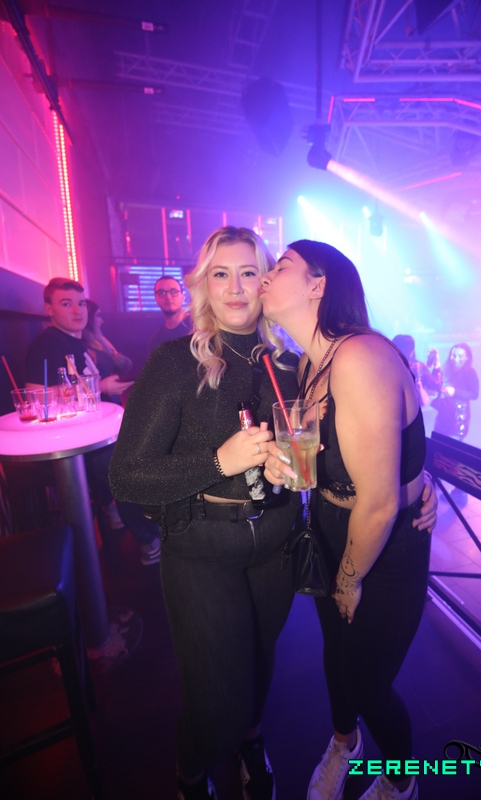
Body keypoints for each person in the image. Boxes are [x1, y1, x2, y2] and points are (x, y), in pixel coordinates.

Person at [109, 227, 302, 800]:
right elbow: (126, 475)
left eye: (248, 273)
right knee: (215, 700)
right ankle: (190, 771)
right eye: (221, 273)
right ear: (204, 285)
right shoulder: (174, 362)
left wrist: (413, 479)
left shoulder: (289, 364)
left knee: (261, 661)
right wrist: (220, 460)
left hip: (278, 537)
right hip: (200, 545)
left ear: (265, 283)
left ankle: (252, 741)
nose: (235, 287)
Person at [260, 241, 436, 800]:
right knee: (335, 656)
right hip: (329, 527)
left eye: (279, 266)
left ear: (318, 284)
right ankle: (345, 744)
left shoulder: (359, 356)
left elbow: (379, 501)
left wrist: (348, 578)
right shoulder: (309, 363)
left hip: (384, 544)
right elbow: (335, 460)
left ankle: (401, 780)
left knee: (369, 683)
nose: (265, 276)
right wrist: (285, 465)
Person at [26, 278, 160, 564]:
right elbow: (37, 396)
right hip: (75, 444)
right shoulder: (47, 342)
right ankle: (149, 540)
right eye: (66, 304)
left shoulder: (77, 340)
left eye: (81, 303)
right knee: (127, 466)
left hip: (99, 431)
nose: (77, 310)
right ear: (49, 309)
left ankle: (125, 512)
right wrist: (101, 388)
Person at [82, 299, 133, 403]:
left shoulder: (101, 340)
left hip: (113, 398)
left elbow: (123, 367)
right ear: (89, 318)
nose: (102, 321)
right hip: (97, 401)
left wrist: (121, 361)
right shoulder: (82, 345)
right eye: (98, 316)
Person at [433, 343, 479, 441]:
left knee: (450, 448)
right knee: (437, 445)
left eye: (460, 356)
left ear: (467, 358)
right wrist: (436, 364)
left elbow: (474, 394)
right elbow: (435, 383)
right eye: (453, 355)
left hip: (458, 419)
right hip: (443, 417)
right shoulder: (446, 369)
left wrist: (455, 392)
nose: (456, 358)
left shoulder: (470, 372)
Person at [392, 335, 442, 407]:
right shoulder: (418, 366)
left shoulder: (387, 366)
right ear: (411, 351)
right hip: (414, 409)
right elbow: (436, 386)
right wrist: (437, 365)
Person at [148, 274, 192, 353]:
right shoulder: (156, 341)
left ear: (182, 297)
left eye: (173, 292)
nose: (168, 297)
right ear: (156, 299)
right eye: (162, 293)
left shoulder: (199, 326)